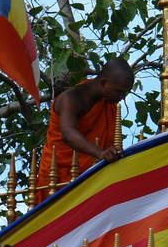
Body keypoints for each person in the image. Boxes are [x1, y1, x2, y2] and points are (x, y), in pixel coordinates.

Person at [36, 58, 134, 203]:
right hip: (57, 176)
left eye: (124, 94)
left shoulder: (108, 104)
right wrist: (100, 153)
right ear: (103, 82)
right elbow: (68, 134)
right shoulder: (71, 98)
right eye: (118, 92)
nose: (121, 98)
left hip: (92, 178)